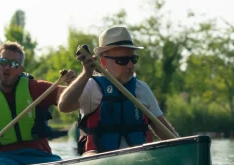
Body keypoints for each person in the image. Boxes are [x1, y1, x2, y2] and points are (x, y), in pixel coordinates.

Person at [58, 26, 179, 155]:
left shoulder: (141, 88)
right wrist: (85, 74)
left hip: (140, 160)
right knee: (90, 154)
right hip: (100, 161)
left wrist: (186, 147)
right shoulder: (91, 87)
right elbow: (64, 106)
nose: (130, 65)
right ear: (103, 62)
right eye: (123, 61)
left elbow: (165, 131)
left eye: (133, 59)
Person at [0, 41, 75, 165]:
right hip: (0, 159)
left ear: (20, 69)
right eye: (3, 61)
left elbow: (68, 96)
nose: (8, 67)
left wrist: (73, 85)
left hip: (41, 157)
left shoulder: (37, 89)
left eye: (14, 64)